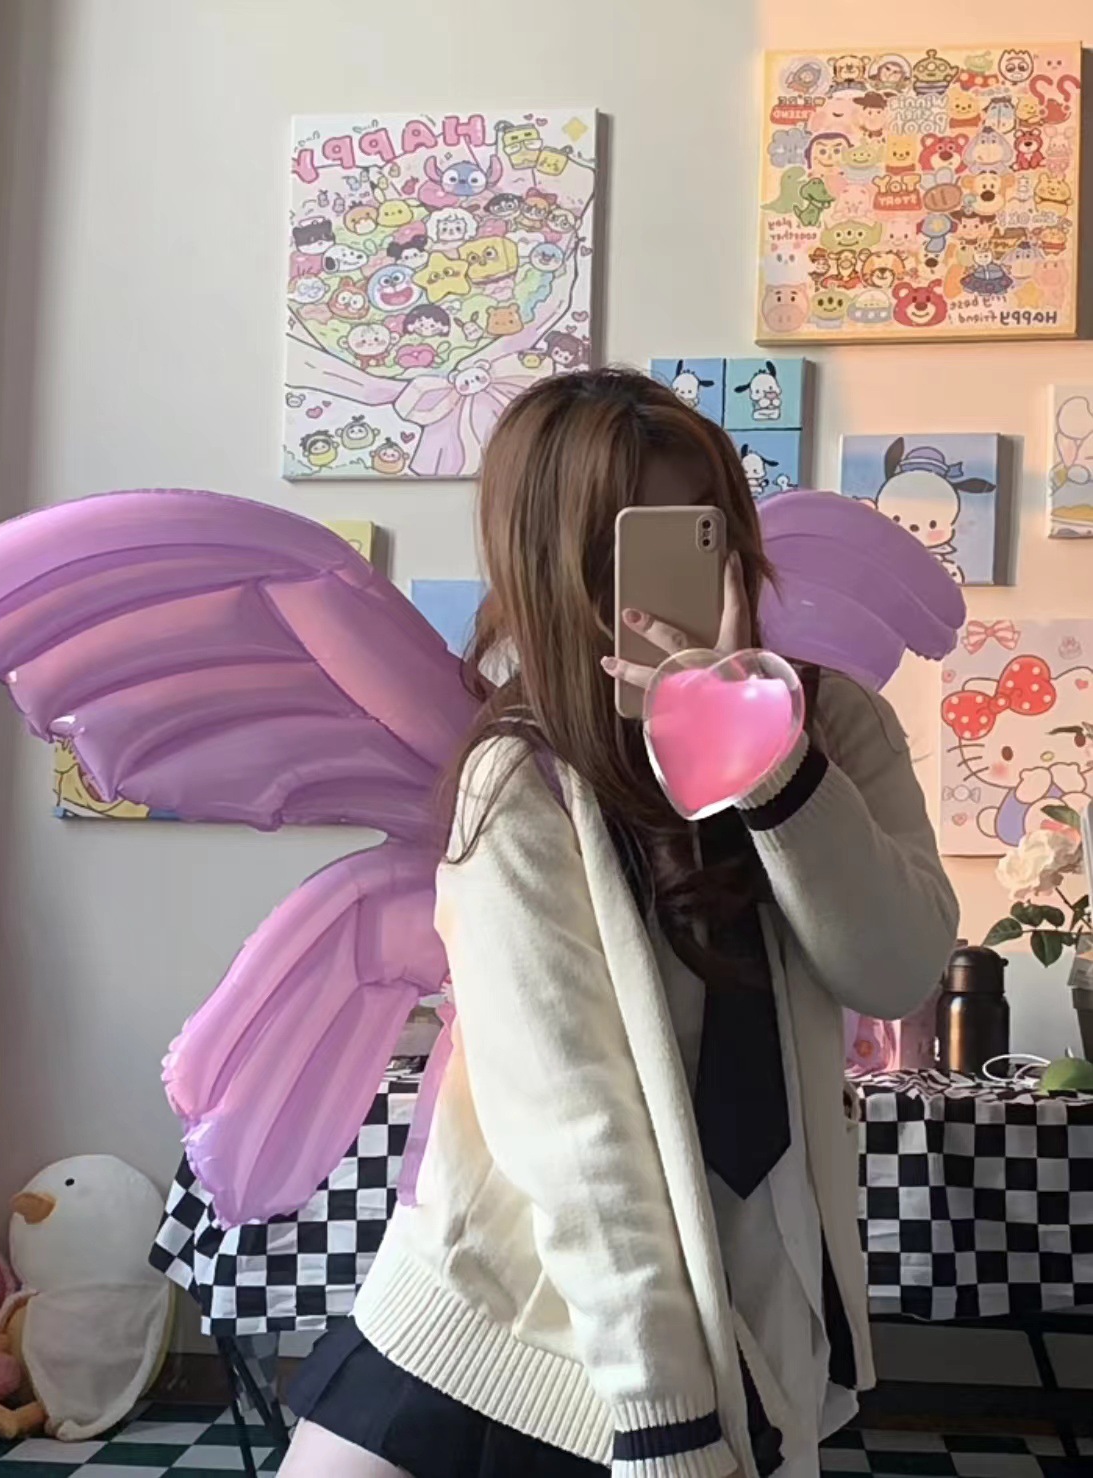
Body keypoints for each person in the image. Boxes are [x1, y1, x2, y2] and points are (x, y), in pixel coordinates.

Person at [279, 369, 958, 1478]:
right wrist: (668, 1423)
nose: (664, 589)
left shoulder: (834, 724)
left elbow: (895, 968)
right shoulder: (521, 778)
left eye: (702, 532)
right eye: (621, 546)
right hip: (505, 1321)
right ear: (549, 564)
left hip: (750, 1316)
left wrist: (768, 764)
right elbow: (578, 1129)